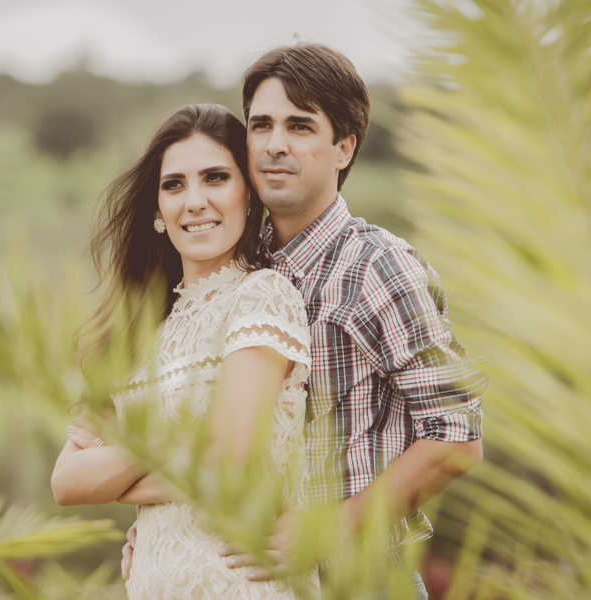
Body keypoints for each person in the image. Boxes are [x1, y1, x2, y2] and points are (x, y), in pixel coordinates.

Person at [122, 44, 489, 599]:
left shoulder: (378, 267)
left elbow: (457, 437)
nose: (274, 144)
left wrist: (328, 529)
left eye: (299, 126)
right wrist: (159, 530)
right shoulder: (238, 272)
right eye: (261, 125)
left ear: (343, 148)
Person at [51, 103, 319, 599]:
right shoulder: (135, 333)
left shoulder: (261, 296)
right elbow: (66, 482)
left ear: (248, 191)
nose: (194, 201)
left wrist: (114, 476)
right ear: (157, 208)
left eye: (215, 178)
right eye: (174, 184)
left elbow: (225, 462)